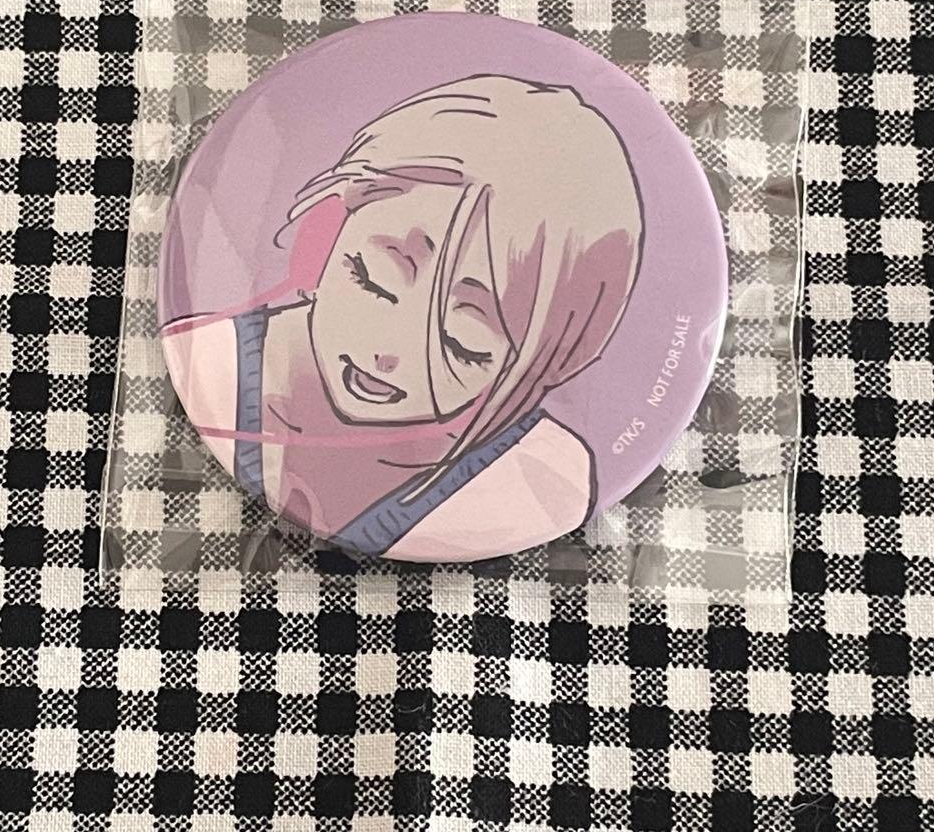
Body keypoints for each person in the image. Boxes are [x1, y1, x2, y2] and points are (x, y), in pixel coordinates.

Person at [161, 74, 643, 561]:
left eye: (463, 344)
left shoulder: (540, 477)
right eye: (373, 279)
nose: (386, 352)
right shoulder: (206, 359)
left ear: (547, 364)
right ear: (325, 233)